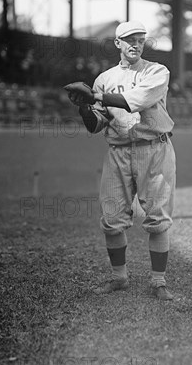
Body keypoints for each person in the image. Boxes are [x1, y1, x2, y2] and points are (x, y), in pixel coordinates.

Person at [64, 20, 176, 301]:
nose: (136, 44)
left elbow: (135, 100)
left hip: (155, 148)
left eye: (140, 39)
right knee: (112, 219)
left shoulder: (157, 71)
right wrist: (84, 107)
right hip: (119, 151)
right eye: (129, 39)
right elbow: (96, 125)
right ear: (118, 43)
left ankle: (159, 281)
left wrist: (97, 96)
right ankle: (119, 278)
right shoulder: (104, 78)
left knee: (158, 219)